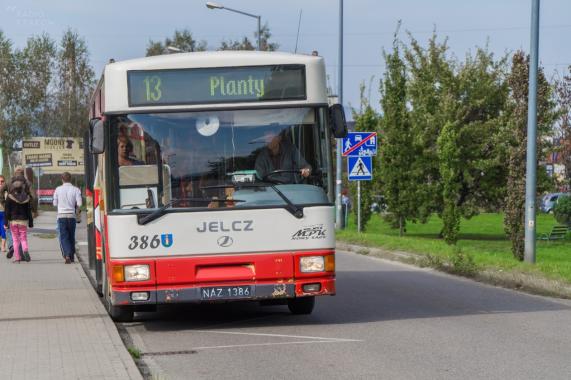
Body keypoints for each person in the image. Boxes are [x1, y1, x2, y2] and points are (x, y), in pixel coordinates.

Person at [53, 172, 82, 264]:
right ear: (71, 179)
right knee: (71, 236)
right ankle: (72, 256)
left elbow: (54, 203)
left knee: (64, 237)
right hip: (72, 216)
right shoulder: (76, 190)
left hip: (61, 216)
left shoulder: (58, 189)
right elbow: (80, 204)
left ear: (62, 179)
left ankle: (67, 255)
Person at [4, 176, 33, 263]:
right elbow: (29, 211)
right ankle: (25, 250)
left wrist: (6, 223)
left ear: (13, 187)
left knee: (15, 240)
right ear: (22, 188)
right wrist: (30, 222)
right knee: (23, 238)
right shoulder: (26, 198)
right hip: (23, 221)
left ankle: (17, 258)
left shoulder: (9, 197)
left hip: (13, 221)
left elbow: (7, 211)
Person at [0, 175, 6, 253]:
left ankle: (3, 246)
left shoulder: (6, 191)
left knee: (3, 230)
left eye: (2, 181)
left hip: (3, 212)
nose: (1, 183)